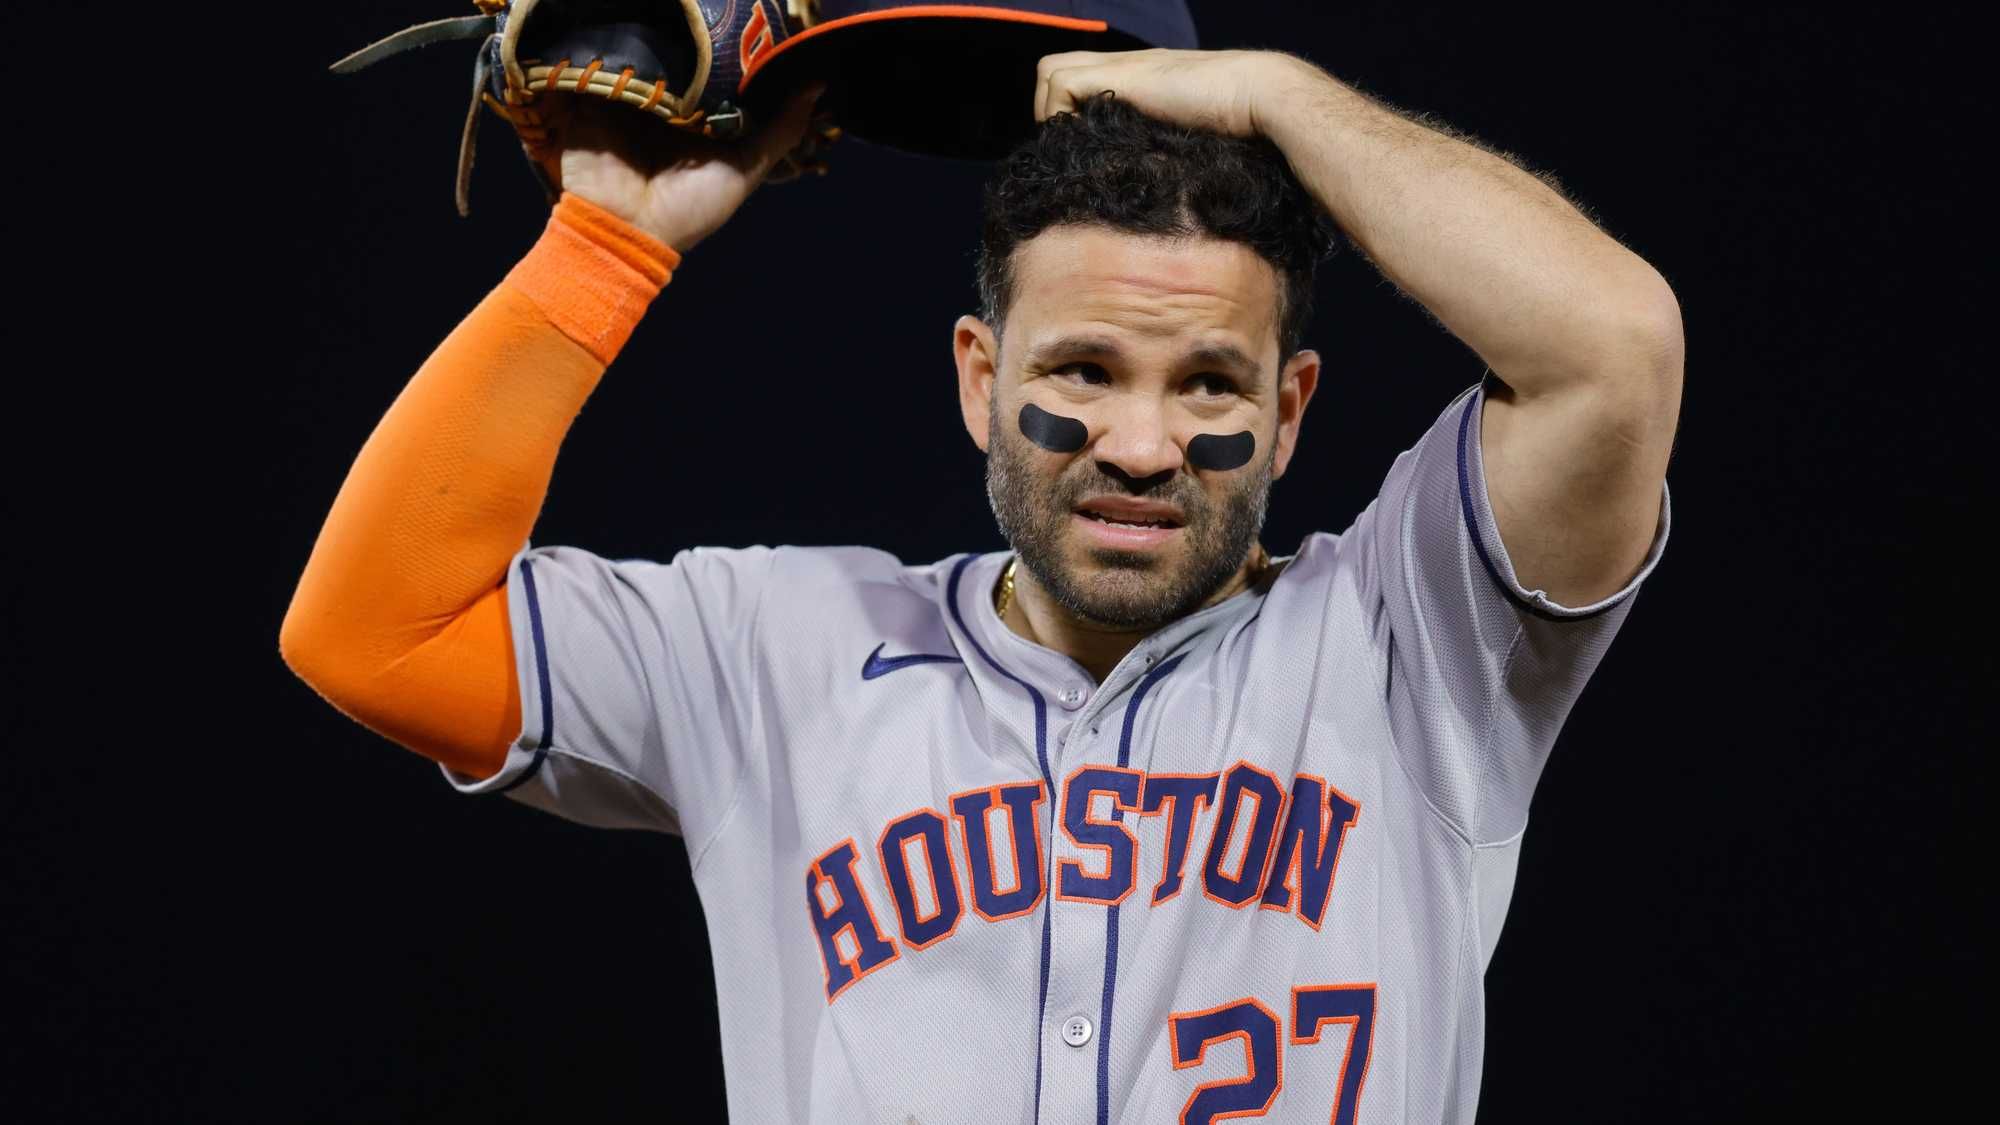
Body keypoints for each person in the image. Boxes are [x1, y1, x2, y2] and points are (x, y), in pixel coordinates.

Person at [282, 47, 1680, 1125]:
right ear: (979, 376)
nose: (1142, 444)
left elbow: (1614, 350)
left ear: (1291, 409)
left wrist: (1276, 96)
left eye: (1209, 383)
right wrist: (605, 247)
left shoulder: (1414, 641)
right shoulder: (778, 650)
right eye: (1084, 369)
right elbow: (375, 631)